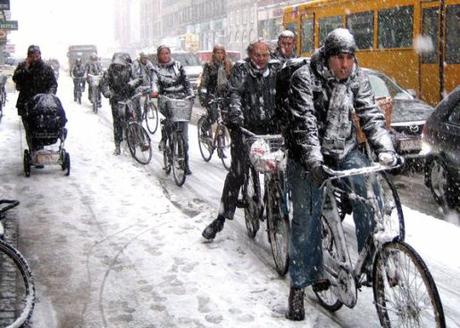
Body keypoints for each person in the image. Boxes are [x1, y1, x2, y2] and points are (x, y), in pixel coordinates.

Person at [282, 28, 398, 321]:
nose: (345, 65)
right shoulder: (304, 78)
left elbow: (370, 114)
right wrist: (314, 163)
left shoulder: (356, 75)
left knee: (368, 192)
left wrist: (384, 148)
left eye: (349, 58)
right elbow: (305, 125)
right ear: (328, 56)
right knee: (306, 219)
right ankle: (299, 284)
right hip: (307, 155)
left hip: (342, 147)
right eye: (339, 58)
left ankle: (372, 261)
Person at [201, 39, 282, 240]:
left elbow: (285, 93)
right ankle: (220, 219)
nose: (262, 59)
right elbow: (235, 93)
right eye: (257, 55)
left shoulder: (276, 69)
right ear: (250, 55)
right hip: (245, 128)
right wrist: (236, 113)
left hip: (271, 128)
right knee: (238, 171)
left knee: (282, 168)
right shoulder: (241, 69)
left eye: (265, 55)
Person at [151, 45, 194, 175]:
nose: (165, 56)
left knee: (184, 137)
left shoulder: (178, 65)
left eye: (167, 53)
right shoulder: (155, 69)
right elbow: (154, 83)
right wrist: (155, 92)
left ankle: (185, 162)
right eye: (163, 53)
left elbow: (186, 82)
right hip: (166, 99)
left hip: (181, 100)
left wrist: (190, 93)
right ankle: (165, 139)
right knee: (169, 123)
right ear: (159, 55)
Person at [13, 45, 58, 152]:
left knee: (41, 128)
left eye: (36, 55)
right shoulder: (23, 66)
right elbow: (16, 79)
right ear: (28, 56)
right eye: (32, 55)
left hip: (42, 104)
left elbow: (53, 84)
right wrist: (26, 69)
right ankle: (35, 150)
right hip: (25, 103)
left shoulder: (46, 68)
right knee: (30, 129)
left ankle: (39, 149)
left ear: (40, 55)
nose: (34, 58)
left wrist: (49, 95)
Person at [101, 52, 139, 155]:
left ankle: (137, 137)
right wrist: (107, 92)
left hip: (130, 96)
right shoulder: (110, 70)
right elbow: (104, 83)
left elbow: (138, 78)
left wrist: (132, 85)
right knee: (117, 122)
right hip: (116, 98)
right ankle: (117, 146)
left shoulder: (131, 68)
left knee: (135, 117)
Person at [198, 44, 233, 134]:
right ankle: (203, 129)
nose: (220, 55)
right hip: (212, 94)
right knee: (213, 115)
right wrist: (203, 97)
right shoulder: (209, 66)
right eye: (218, 53)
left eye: (222, 53)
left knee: (230, 117)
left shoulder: (229, 65)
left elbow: (233, 81)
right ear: (214, 54)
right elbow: (204, 82)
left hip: (224, 95)